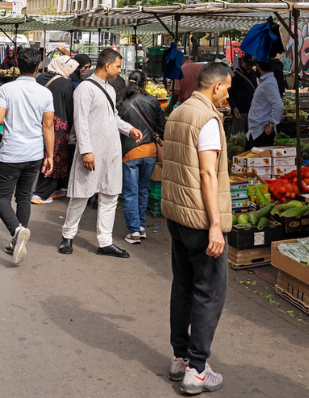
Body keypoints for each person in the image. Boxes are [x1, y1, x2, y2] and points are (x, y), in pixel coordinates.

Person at [161, 61, 233, 393]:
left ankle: (179, 358)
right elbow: (206, 173)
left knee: (184, 287)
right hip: (200, 220)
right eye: (227, 88)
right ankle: (198, 370)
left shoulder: (178, 112)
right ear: (215, 86)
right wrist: (215, 226)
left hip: (177, 215)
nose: (228, 95)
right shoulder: (207, 119)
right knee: (208, 293)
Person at [58, 48, 142, 258]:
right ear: (107, 65)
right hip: (92, 151)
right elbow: (80, 121)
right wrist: (86, 151)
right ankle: (67, 236)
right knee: (81, 195)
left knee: (110, 195)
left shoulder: (110, 89)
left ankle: (105, 241)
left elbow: (112, 116)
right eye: (118, 66)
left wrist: (128, 129)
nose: (119, 71)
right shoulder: (85, 89)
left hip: (111, 151)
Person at [0, 48, 54, 264]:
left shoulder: (6, 89)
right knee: (23, 197)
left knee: (1, 198)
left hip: (12, 152)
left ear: (18, 64)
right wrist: (50, 155)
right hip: (35, 153)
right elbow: (48, 125)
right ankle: (17, 240)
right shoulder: (45, 93)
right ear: (38, 68)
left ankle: (17, 232)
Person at [118, 70, 166, 244]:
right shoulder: (153, 101)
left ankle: (134, 230)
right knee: (142, 190)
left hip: (130, 153)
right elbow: (162, 126)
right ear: (144, 83)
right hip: (150, 152)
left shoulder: (123, 104)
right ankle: (141, 226)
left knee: (130, 192)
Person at [33, 54, 78, 203]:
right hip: (58, 126)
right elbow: (70, 109)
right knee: (55, 157)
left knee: (43, 154)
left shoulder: (39, 78)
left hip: (38, 121)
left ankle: (56, 188)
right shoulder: (66, 85)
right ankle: (41, 193)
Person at [246, 57, 284, 146]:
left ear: (258, 66)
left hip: (262, 132)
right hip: (256, 131)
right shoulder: (266, 81)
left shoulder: (268, 83)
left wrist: (271, 124)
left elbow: (279, 105)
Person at [228, 53, 258, 138]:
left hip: (252, 110)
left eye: (252, 65)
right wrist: (234, 107)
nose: (250, 67)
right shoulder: (235, 75)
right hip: (239, 111)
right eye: (249, 65)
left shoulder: (253, 73)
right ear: (243, 62)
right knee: (238, 134)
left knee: (250, 133)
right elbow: (230, 94)